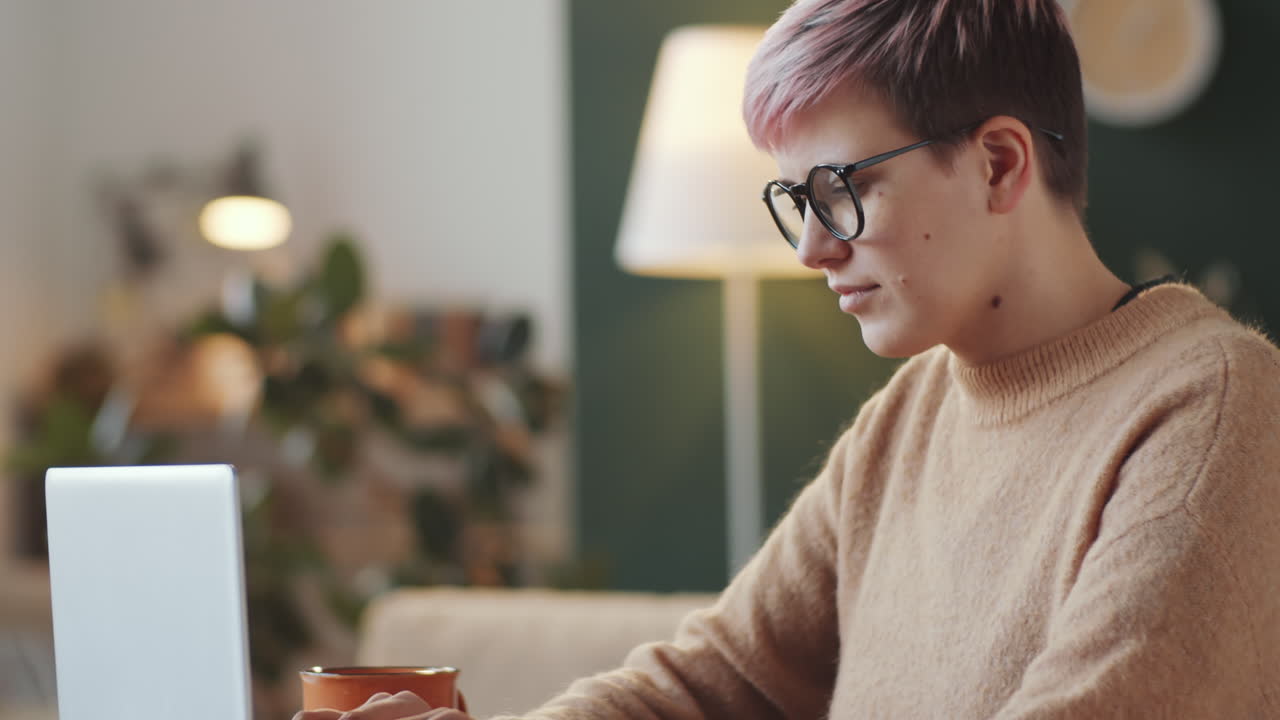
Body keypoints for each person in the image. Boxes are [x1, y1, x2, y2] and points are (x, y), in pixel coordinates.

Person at [297, 0, 1280, 718]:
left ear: (998, 164)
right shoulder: (907, 415)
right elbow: (719, 680)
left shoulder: (1210, 407)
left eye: (840, 191)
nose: (811, 249)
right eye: (795, 204)